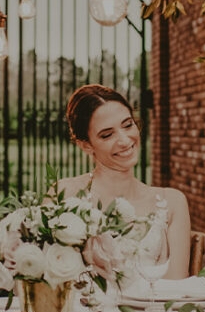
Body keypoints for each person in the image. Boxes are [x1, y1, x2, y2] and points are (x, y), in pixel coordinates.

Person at [59, 84, 191, 280]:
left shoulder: (173, 202)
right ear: (86, 145)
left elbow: (176, 287)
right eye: (107, 135)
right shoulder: (66, 194)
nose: (124, 140)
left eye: (128, 125)